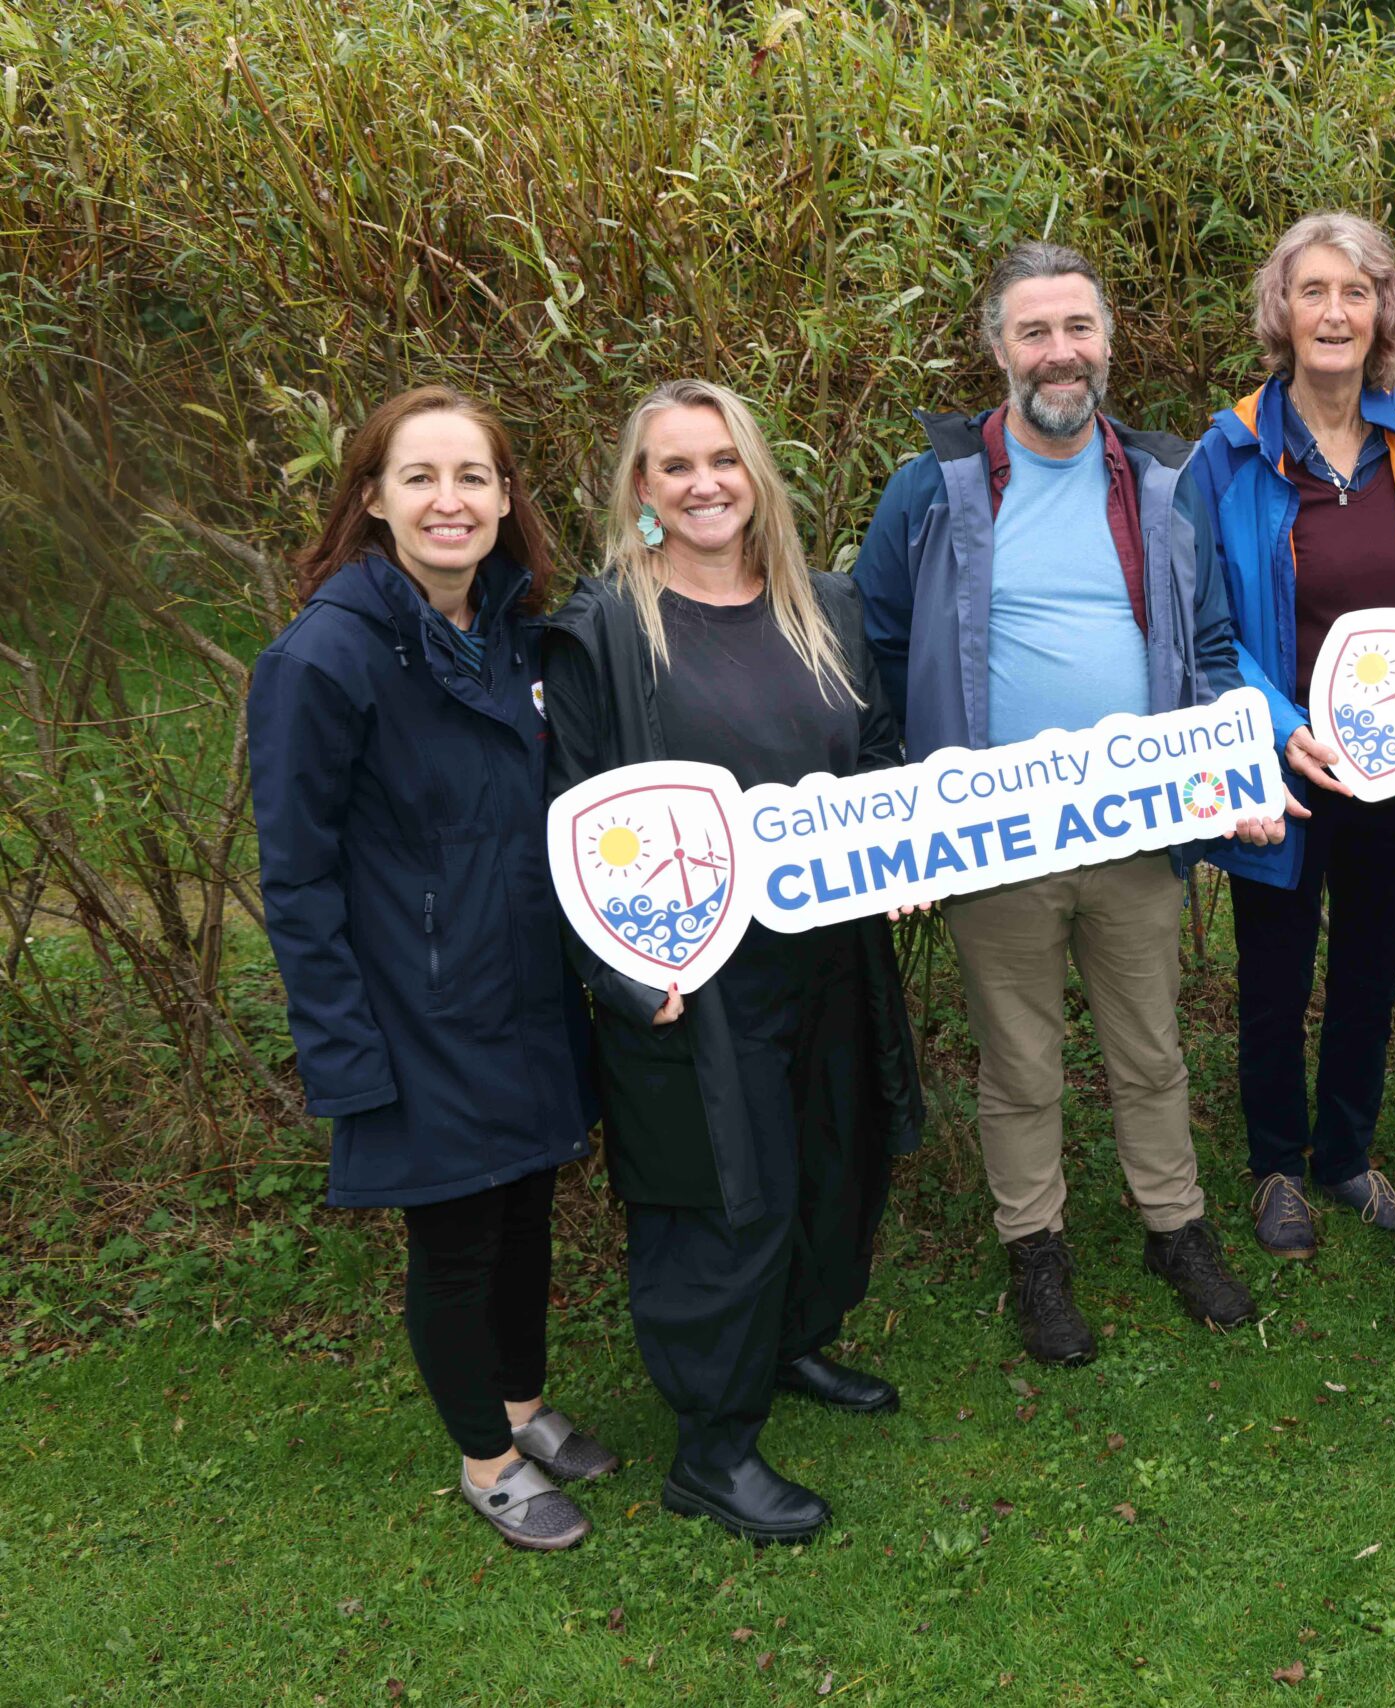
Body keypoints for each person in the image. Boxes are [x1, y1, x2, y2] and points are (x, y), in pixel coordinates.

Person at [854, 241, 1277, 1367]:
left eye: (1077, 328)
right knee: (1021, 1063)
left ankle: (1172, 1227)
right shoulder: (930, 491)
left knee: (1150, 1049)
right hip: (991, 839)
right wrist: (905, 826)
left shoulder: (1164, 486)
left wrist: (1238, 771)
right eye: (1034, 332)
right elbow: (878, 652)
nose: (1059, 353)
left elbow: (1215, 649)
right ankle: (1033, 1250)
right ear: (996, 348)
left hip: (1135, 830)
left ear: (1108, 341)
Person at [544, 378, 924, 1544]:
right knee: (724, 1195)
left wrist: (896, 844)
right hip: (694, 976)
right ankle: (711, 1447)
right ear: (642, 492)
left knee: (827, 1158)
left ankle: (793, 1340)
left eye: (725, 459)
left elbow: (869, 752)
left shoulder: (827, 604)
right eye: (676, 466)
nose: (705, 482)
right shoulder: (606, 628)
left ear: (757, 475)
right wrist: (616, 976)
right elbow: (567, 814)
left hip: (828, 952)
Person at [249, 385, 615, 1551]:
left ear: (506, 499)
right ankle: (488, 1459)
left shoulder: (511, 632)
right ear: (373, 498)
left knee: (525, 1208)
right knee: (457, 1237)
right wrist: (347, 1054)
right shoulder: (326, 657)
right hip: (415, 1007)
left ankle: (522, 1403)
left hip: (522, 988)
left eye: (473, 477)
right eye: (420, 477)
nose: (449, 500)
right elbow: (297, 878)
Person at [1186, 212, 1395, 1259]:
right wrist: (1278, 723)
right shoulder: (1229, 453)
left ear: (1381, 311)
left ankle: (1346, 1155)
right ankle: (1274, 1167)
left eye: (1355, 292)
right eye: (1313, 291)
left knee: (1366, 962)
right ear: (1281, 312)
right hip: (1282, 767)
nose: (1334, 312)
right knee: (1273, 969)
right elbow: (1206, 627)